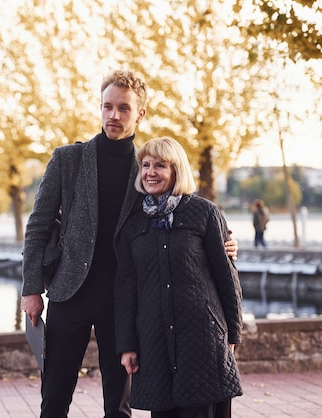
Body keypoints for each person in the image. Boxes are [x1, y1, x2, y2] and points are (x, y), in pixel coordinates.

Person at [21, 70, 238, 418]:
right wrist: (31, 288)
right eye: (107, 107)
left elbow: (183, 211)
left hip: (122, 301)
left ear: (140, 114)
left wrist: (225, 242)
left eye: (124, 108)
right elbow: (37, 226)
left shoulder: (145, 166)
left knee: (118, 405)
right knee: (55, 398)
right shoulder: (68, 160)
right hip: (68, 292)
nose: (114, 115)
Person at [114, 137, 243, 418]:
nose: (150, 172)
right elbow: (125, 290)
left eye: (160, 165)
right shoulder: (133, 225)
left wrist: (233, 334)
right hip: (153, 343)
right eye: (146, 165)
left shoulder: (204, 213)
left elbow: (227, 277)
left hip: (203, 340)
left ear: (176, 171)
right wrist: (127, 345)